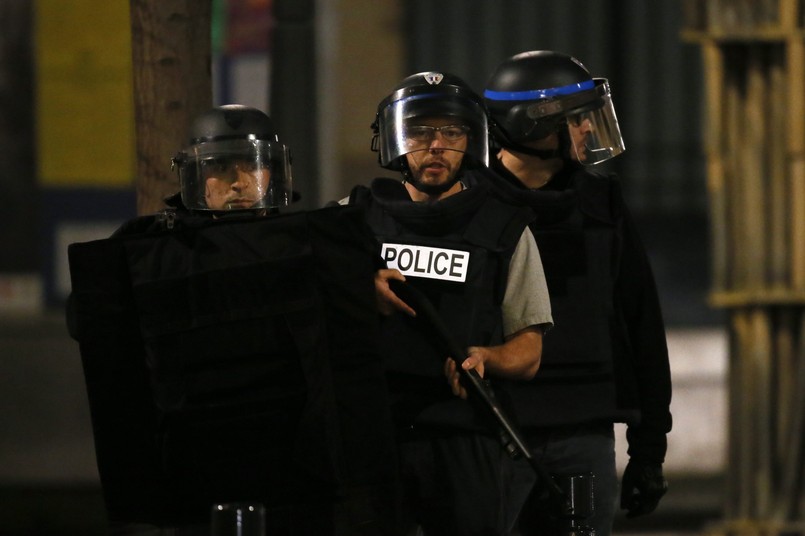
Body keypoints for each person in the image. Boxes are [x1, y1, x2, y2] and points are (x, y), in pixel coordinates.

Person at [67, 104, 400, 535]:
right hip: (192, 485)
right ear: (195, 175)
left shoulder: (311, 248)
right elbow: (91, 323)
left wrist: (356, 284)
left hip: (300, 482)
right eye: (221, 168)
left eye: (252, 166)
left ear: (274, 173)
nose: (240, 182)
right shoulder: (152, 251)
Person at [342, 71, 553, 535]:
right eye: (419, 130)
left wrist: (486, 358)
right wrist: (357, 292)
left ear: (471, 140)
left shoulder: (505, 228)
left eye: (451, 132)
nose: (435, 145)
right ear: (394, 139)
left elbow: (529, 352)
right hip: (373, 433)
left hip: (464, 435)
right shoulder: (350, 221)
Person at [478, 50, 672, 535]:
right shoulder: (468, 207)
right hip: (491, 433)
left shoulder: (600, 202)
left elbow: (641, 323)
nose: (589, 130)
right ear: (530, 125)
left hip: (582, 434)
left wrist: (649, 450)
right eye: (576, 119)